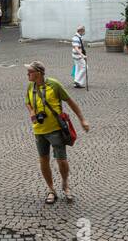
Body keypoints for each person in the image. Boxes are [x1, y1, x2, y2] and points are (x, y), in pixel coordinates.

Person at [25, 61, 90, 204]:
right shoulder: (31, 86)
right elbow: (27, 102)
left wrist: (82, 120)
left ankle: (65, 184)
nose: (27, 74)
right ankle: (51, 189)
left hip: (55, 130)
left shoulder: (54, 85)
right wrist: (32, 112)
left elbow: (71, 102)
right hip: (39, 131)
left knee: (62, 161)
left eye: (30, 71)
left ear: (39, 73)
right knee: (43, 160)